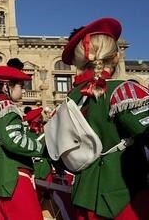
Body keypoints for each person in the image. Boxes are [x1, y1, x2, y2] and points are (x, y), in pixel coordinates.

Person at [60, 17, 149, 220]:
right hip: (123, 196)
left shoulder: (72, 98)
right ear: (116, 56)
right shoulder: (124, 90)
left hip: (84, 196)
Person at [0, 59, 44, 220]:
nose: (23, 91)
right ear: (6, 86)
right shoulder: (7, 107)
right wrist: (43, 147)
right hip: (13, 176)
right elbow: (13, 140)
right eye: (20, 86)